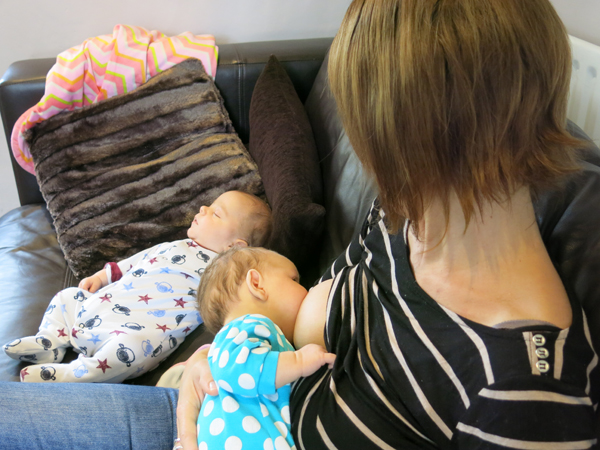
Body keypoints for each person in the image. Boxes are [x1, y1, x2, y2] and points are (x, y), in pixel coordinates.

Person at [0, 0, 598, 449]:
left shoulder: (522, 392)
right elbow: (314, 316)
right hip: (228, 403)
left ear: (411, 147)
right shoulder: (405, 219)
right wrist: (216, 356)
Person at [3, 190, 272, 384]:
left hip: (132, 335)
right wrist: (102, 276)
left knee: (130, 351)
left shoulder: (220, 272)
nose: (202, 209)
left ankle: (73, 375)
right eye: (208, 205)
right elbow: (135, 261)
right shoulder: (174, 246)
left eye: (216, 213)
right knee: (68, 297)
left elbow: (230, 305)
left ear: (234, 247)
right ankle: (50, 340)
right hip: (103, 306)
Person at [193, 246, 335, 450]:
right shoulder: (247, 325)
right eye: (294, 280)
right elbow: (234, 369)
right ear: (257, 284)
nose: (307, 289)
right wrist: (299, 361)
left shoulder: (262, 338)